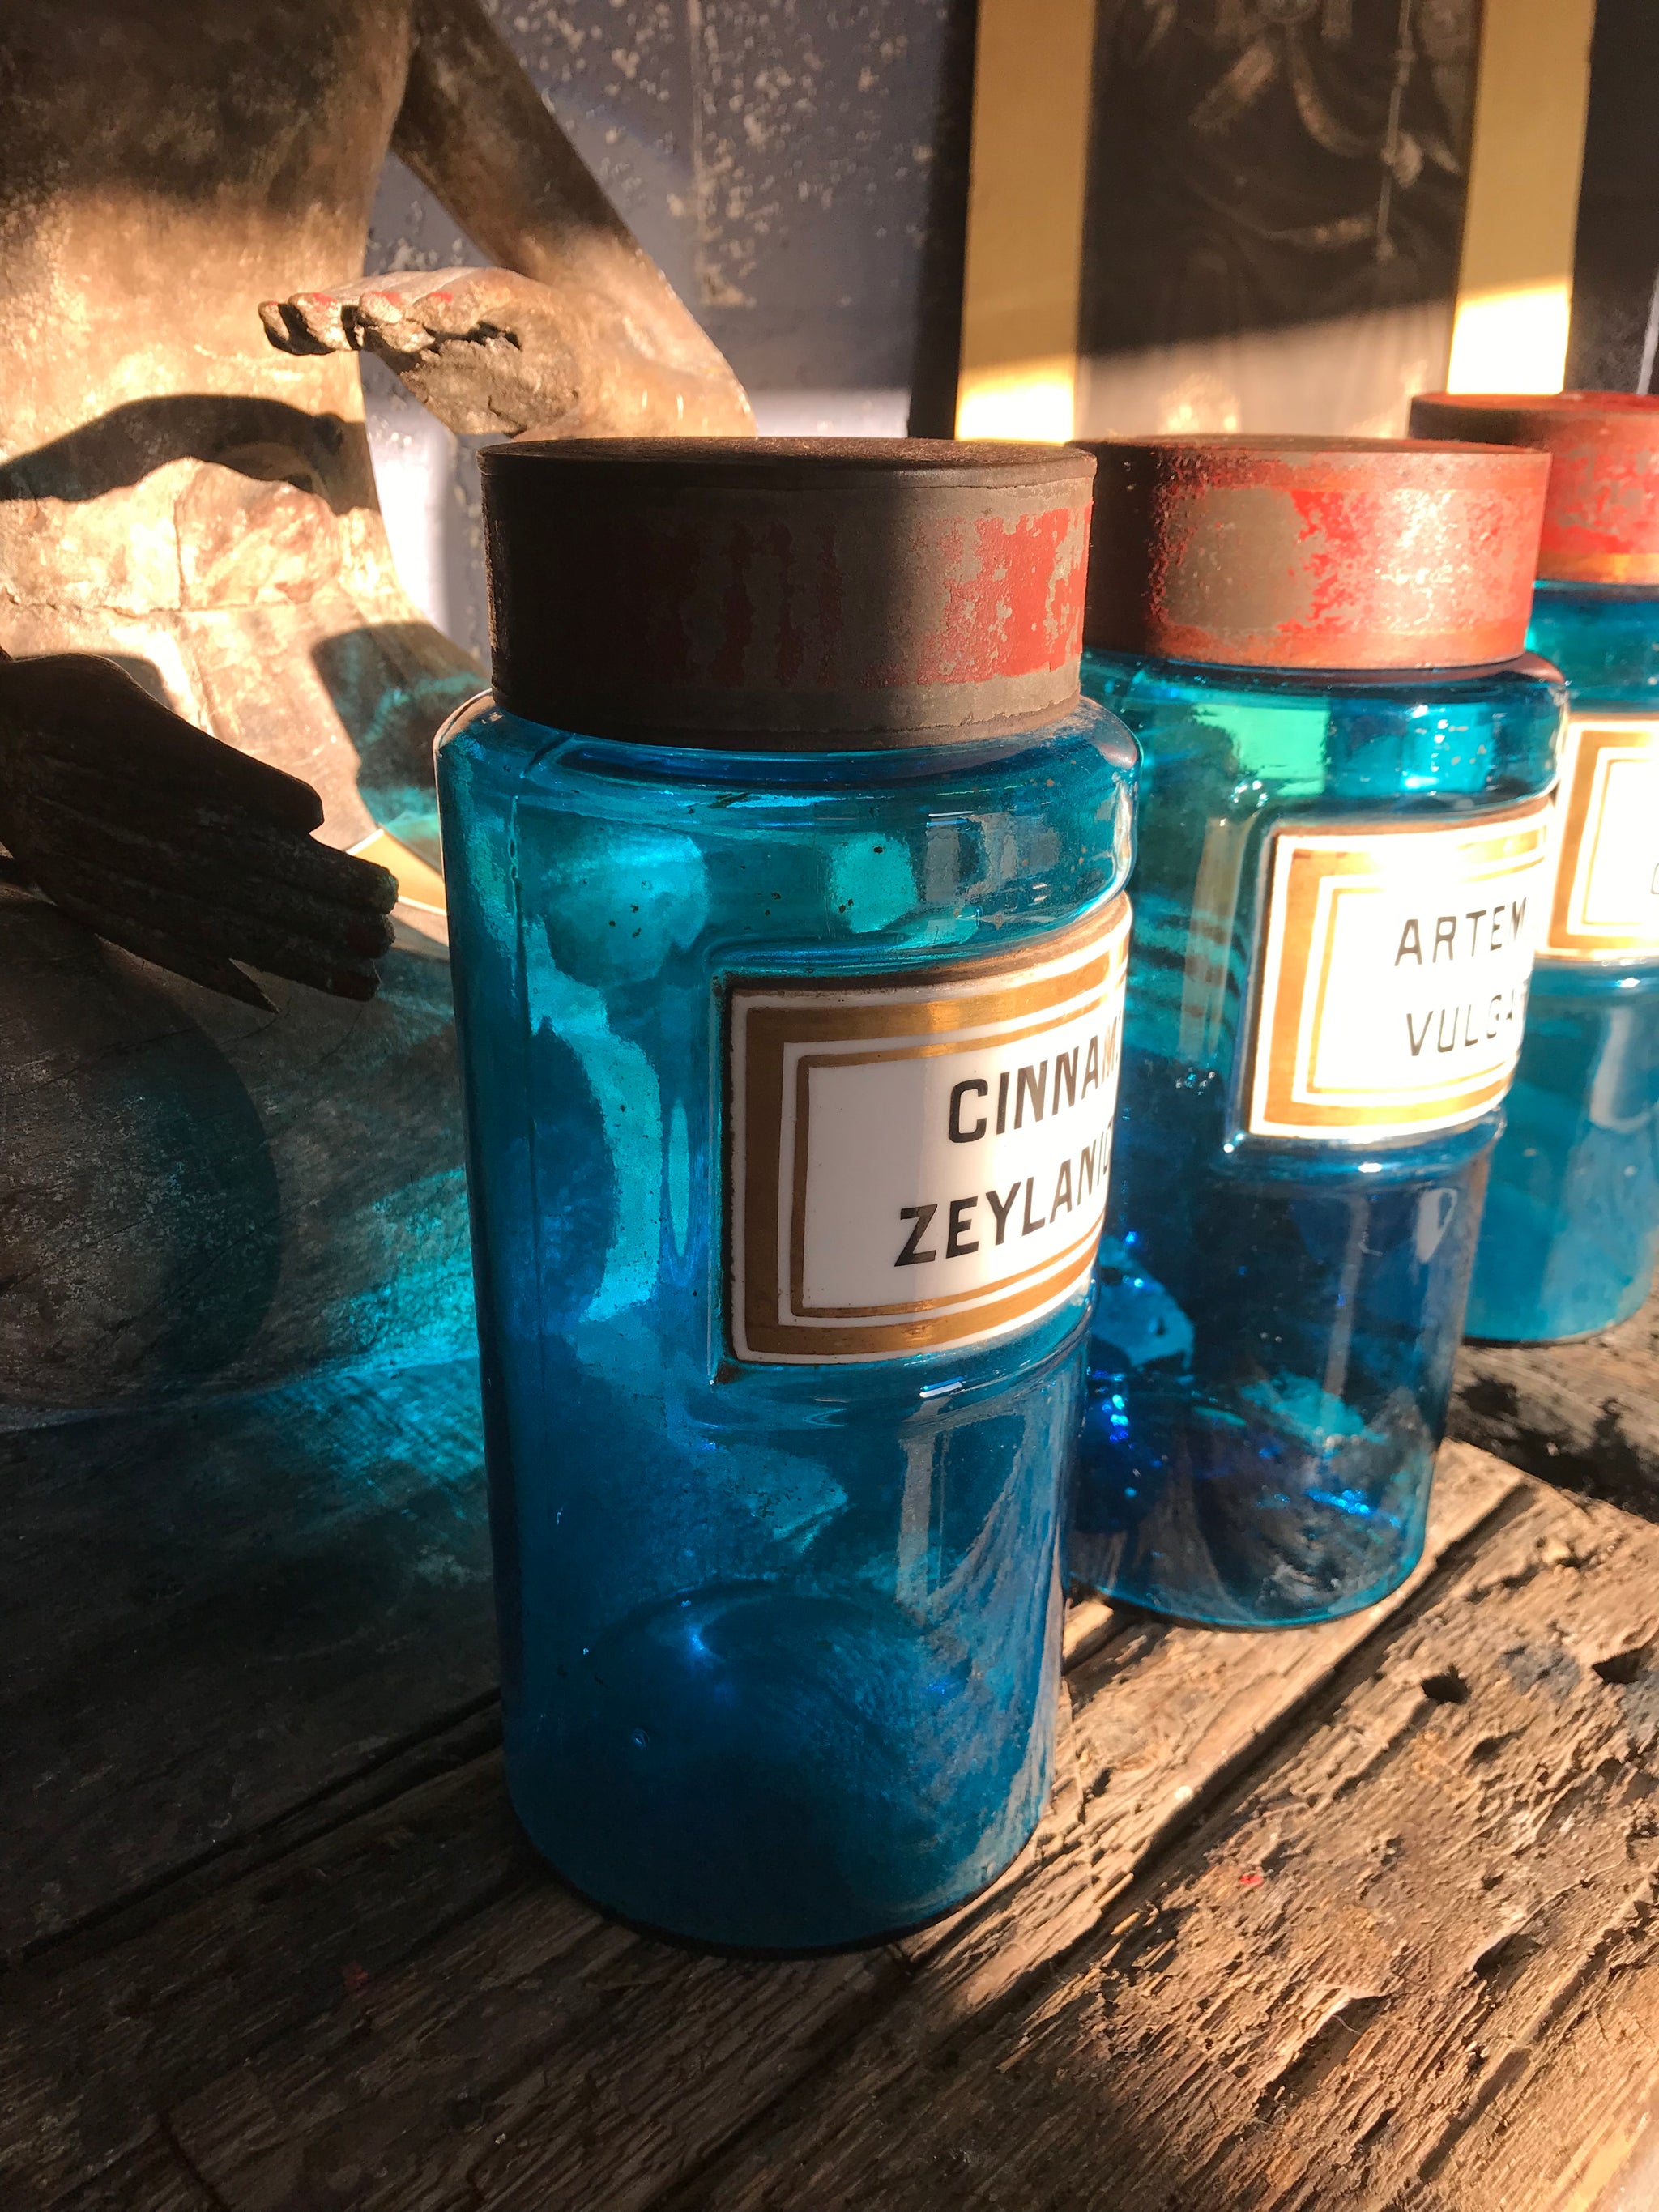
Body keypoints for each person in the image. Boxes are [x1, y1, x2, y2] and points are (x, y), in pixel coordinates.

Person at [0, 0, 752, 1415]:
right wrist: (18, 748)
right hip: (64, 767)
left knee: (749, 976)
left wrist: (564, 367)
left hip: (365, 687)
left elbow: (699, 409)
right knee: (92, 1209)